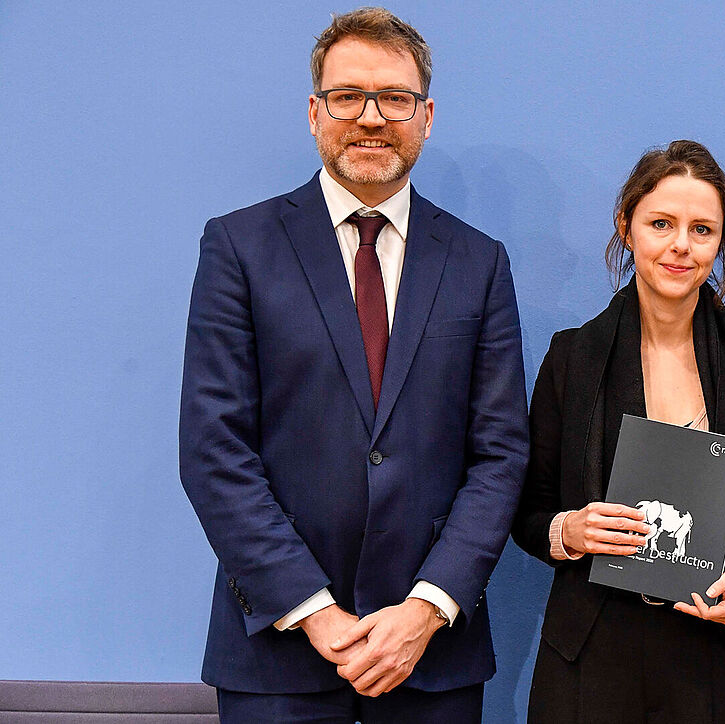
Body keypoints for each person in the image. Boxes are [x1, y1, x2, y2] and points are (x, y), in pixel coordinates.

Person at [178, 8, 527, 722]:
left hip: (432, 659)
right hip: (277, 654)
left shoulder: (479, 262)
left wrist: (427, 610)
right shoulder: (239, 248)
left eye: (394, 98)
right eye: (348, 96)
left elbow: (500, 454)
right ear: (315, 111)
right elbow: (214, 449)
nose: (371, 117)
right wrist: (316, 615)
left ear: (426, 115)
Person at [511, 140, 725, 723]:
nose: (681, 245)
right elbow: (527, 512)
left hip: (715, 654)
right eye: (661, 223)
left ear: (722, 241)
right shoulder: (572, 358)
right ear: (627, 227)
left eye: (702, 229)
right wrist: (568, 530)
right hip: (589, 655)